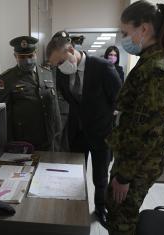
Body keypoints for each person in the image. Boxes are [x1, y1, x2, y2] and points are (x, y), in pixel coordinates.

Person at [105, 1, 164, 234]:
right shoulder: (148, 61)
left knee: (121, 218)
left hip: (138, 163)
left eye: (125, 32)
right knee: (115, 209)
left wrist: (124, 176)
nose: (123, 38)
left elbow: (147, 130)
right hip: (133, 158)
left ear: (143, 29)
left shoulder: (155, 69)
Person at [46, 31, 121, 227]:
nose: (59, 67)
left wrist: (109, 121)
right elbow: (71, 101)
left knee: (100, 175)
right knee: (75, 174)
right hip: (77, 131)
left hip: (101, 132)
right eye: (55, 65)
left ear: (71, 50)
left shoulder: (103, 68)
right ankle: (75, 208)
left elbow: (119, 100)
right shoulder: (62, 74)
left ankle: (100, 208)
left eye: (60, 62)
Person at [0, 36, 61, 151]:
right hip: (24, 140)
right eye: (22, 57)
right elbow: (4, 114)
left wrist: (58, 133)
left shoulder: (47, 73)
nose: (27, 60)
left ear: (36, 54)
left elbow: (55, 105)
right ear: (15, 56)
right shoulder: (7, 78)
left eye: (30, 56)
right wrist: (10, 143)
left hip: (49, 136)